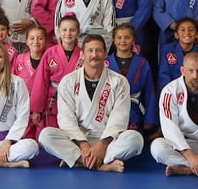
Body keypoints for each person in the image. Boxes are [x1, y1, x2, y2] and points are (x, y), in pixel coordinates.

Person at [40, 35, 144, 172]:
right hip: (78, 140)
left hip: (108, 140)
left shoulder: (119, 81)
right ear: (82, 54)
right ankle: (102, 164)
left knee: (136, 140)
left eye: (98, 50)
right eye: (90, 51)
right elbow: (66, 118)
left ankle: (78, 160)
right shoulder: (68, 81)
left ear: (105, 53)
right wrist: (83, 144)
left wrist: (102, 145)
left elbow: (119, 117)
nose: (94, 55)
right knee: (45, 136)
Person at [29, 16, 82, 138]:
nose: (68, 33)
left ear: (78, 32)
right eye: (64, 30)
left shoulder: (83, 54)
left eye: (72, 30)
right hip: (53, 101)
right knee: (50, 134)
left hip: (75, 101)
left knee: (72, 134)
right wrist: (36, 109)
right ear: (58, 31)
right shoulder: (50, 53)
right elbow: (41, 82)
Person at [106, 23, 156, 134]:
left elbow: (150, 92)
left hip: (134, 114)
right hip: (110, 113)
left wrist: (150, 119)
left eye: (127, 37)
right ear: (113, 40)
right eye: (119, 37)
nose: (123, 41)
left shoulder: (142, 63)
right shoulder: (106, 63)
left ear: (134, 40)